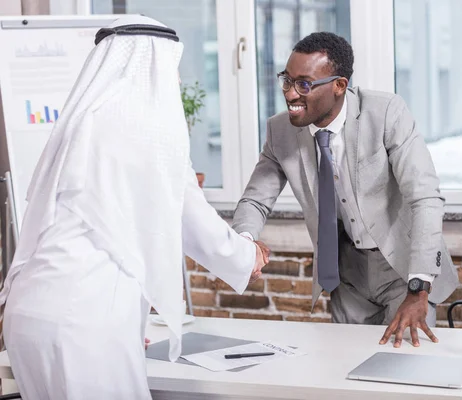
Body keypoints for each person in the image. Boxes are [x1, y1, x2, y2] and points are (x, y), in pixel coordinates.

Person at [0, 16, 267, 399]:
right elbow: (189, 219)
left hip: (29, 315)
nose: (174, 80)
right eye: (169, 67)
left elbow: (104, 227)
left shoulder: (80, 123)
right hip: (85, 322)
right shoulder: (150, 131)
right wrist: (247, 256)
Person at [233, 32, 458, 348]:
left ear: (340, 85)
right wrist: (244, 245)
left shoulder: (385, 113)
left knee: (405, 370)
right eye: (286, 80)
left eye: (304, 84)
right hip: (345, 275)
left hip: (401, 268)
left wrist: (418, 287)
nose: (290, 94)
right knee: (346, 368)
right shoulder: (280, 130)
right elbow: (256, 199)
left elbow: (424, 197)